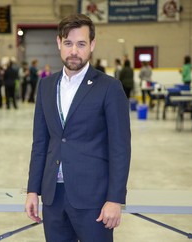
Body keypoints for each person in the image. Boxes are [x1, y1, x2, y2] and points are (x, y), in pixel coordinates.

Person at [25, 14, 131, 242]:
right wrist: (32, 190)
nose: (74, 51)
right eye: (68, 43)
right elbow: (40, 143)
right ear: (58, 44)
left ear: (92, 45)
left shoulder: (110, 88)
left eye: (81, 44)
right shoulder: (45, 85)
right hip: (53, 197)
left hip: (94, 200)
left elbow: (120, 148)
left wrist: (115, 199)